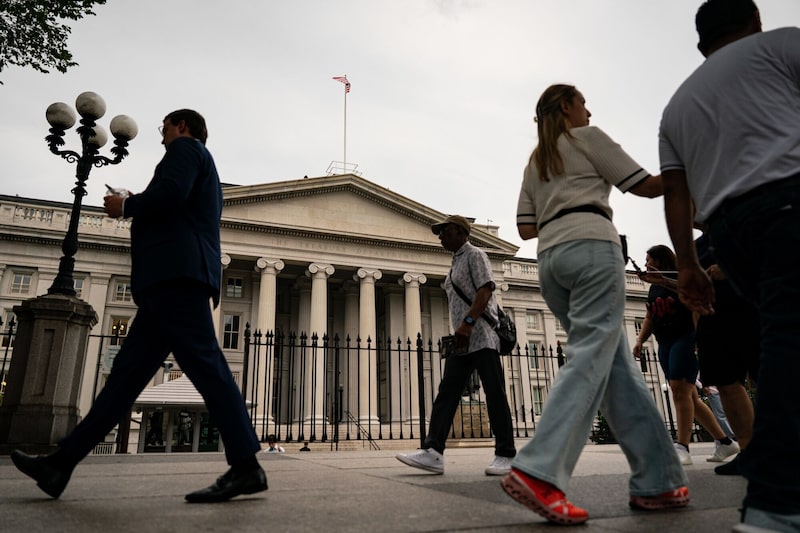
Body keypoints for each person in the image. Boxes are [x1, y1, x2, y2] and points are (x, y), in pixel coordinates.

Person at [10, 109, 267, 503]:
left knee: (208, 371)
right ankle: (59, 464)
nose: (161, 134)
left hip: (178, 278)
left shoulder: (186, 150)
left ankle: (247, 465)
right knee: (126, 380)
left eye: (164, 126)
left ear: (182, 126)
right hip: (173, 281)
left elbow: (171, 195)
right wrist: (136, 200)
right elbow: (175, 205)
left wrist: (127, 206)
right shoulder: (196, 160)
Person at [505, 84, 687, 526]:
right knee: (591, 355)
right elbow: (646, 186)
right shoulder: (590, 138)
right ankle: (539, 470)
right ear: (567, 106)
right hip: (591, 246)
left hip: (550, 259)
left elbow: (525, 227)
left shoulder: (536, 161)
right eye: (583, 102)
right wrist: (688, 169)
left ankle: (659, 480)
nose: (590, 109)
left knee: (616, 368)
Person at [659, 1, 800, 529]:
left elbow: (676, 195)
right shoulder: (782, 45)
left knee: (774, 345)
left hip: (729, 232)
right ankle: (776, 499)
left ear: (701, 43)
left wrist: (689, 264)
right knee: (786, 338)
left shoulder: (678, 104)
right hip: (786, 202)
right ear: (754, 23)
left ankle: (773, 459)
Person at [396, 214, 517, 476]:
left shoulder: (475, 255)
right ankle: (433, 452)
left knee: (494, 393)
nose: (441, 237)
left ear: (461, 233)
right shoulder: (454, 263)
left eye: (446, 232)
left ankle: (506, 454)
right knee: (447, 394)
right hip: (462, 342)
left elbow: (486, 290)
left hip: (482, 336)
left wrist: (468, 322)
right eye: (440, 233)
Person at [632, 245, 738, 466]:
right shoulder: (653, 287)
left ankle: (682, 446)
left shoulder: (680, 278)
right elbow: (650, 316)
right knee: (688, 396)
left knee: (681, 391)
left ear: (660, 261)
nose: (645, 263)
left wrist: (663, 281)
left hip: (685, 337)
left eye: (649, 259)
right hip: (665, 343)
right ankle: (725, 442)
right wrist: (640, 339)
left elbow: (692, 295)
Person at [694, 231, 759, 476]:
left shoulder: (746, 225)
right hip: (712, 318)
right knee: (726, 384)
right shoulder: (696, 247)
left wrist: (731, 268)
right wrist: (697, 331)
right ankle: (748, 450)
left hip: (752, 310)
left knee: (770, 377)